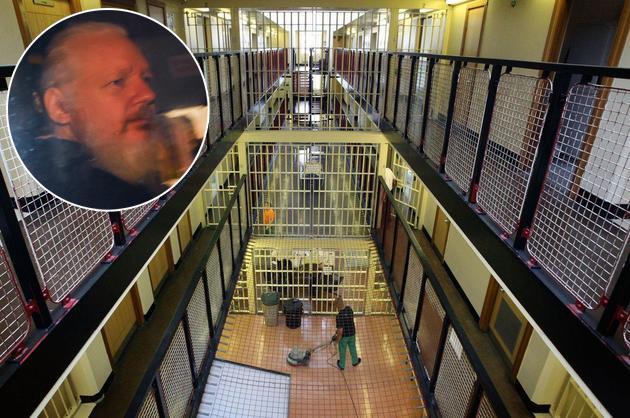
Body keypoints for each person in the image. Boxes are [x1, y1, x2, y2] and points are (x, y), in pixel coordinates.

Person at [14, 21, 197, 210]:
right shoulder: (108, 192)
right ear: (61, 106)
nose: (148, 94)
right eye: (117, 81)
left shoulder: (108, 177)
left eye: (146, 79)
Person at [333, 295, 361, 370]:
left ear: (337, 306)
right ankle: (355, 361)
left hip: (344, 337)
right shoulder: (349, 309)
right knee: (353, 347)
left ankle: (341, 365)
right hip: (352, 334)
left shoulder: (339, 316)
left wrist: (336, 341)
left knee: (342, 349)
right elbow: (348, 322)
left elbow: (340, 332)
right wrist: (338, 330)